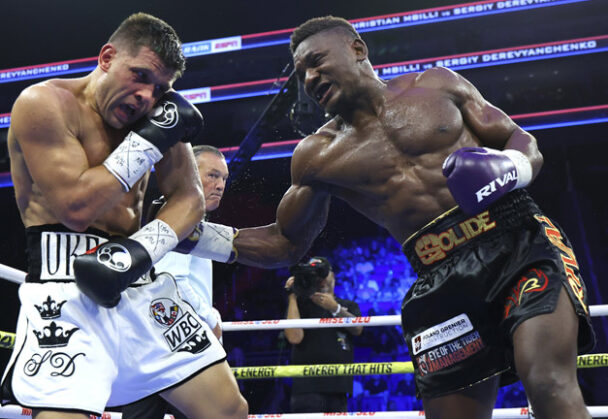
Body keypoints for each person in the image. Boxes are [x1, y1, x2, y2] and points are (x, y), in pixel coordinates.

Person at [175, 16, 595, 419]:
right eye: (301, 72)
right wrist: (187, 234)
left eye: (316, 62)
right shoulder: (317, 155)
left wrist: (511, 168)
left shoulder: (436, 84)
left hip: (516, 242)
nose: (309, 79)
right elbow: (286, 242)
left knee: (548, 383)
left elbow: (519, 140)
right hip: (438, 277)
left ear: (357, 49)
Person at [2, 13, 247, 419]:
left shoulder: (152, 114)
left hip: (139, 278)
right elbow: (76, 208)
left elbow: (190, 199)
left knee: (228, 410)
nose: (146, 98)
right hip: (66, 288)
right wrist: (149, 140)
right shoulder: (44, 104)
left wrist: (139, 251)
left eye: (160, 89)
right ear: (107, 57)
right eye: (139, 76)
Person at [122, 145, 231, 419]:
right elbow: (173, 280)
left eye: (224, 179)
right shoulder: (182, 213)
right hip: (179, 340)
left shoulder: (178, 211)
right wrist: (210, 319)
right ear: (191, 174)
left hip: (156, 340)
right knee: (224, 411)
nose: (220, 185)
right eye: (213, 176)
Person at [283, 256, 362, 413]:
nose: (320, 278)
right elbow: (294, 337)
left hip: (338, 389)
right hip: (306, 389)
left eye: (322, 272)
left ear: (332, 275)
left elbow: (358, 328)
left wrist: (335, 308)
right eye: (315, 274)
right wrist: (292, 295)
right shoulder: (300, 306)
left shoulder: (347, 306)